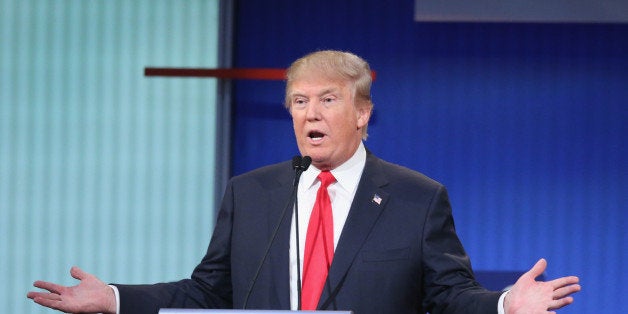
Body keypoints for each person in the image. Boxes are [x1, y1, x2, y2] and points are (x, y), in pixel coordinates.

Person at [27, 50, 580, 314]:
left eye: (327, 100)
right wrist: (115, 299)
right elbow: (207, 294)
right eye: (298, 102)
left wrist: (507, 305)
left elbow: (448, 296)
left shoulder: (416, 196)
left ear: (362, 113)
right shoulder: (253, 193)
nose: (309, 114)